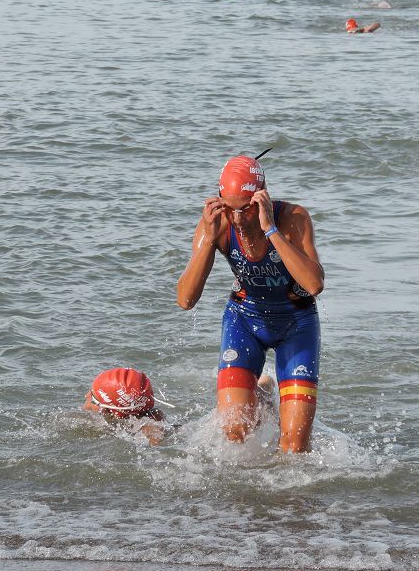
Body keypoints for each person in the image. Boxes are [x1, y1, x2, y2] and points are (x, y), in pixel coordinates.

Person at [176, 154, 325, 453]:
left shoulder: (293, 218)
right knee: (236, 429)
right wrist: (208, 238)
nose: (239, 218)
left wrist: (270, 228)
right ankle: (263, 394)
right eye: (230, 209)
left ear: (263, 196)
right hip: (245, 320)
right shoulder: (217, 222)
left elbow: (314, 284)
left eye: (246, 208)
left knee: (294, 446)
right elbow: (186, 299)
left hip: (296, 324)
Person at [83, 367, 172, 446]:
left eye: (93, 398)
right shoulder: (153, 417)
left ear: (110, 409)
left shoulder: (152, 428)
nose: (86, 396)